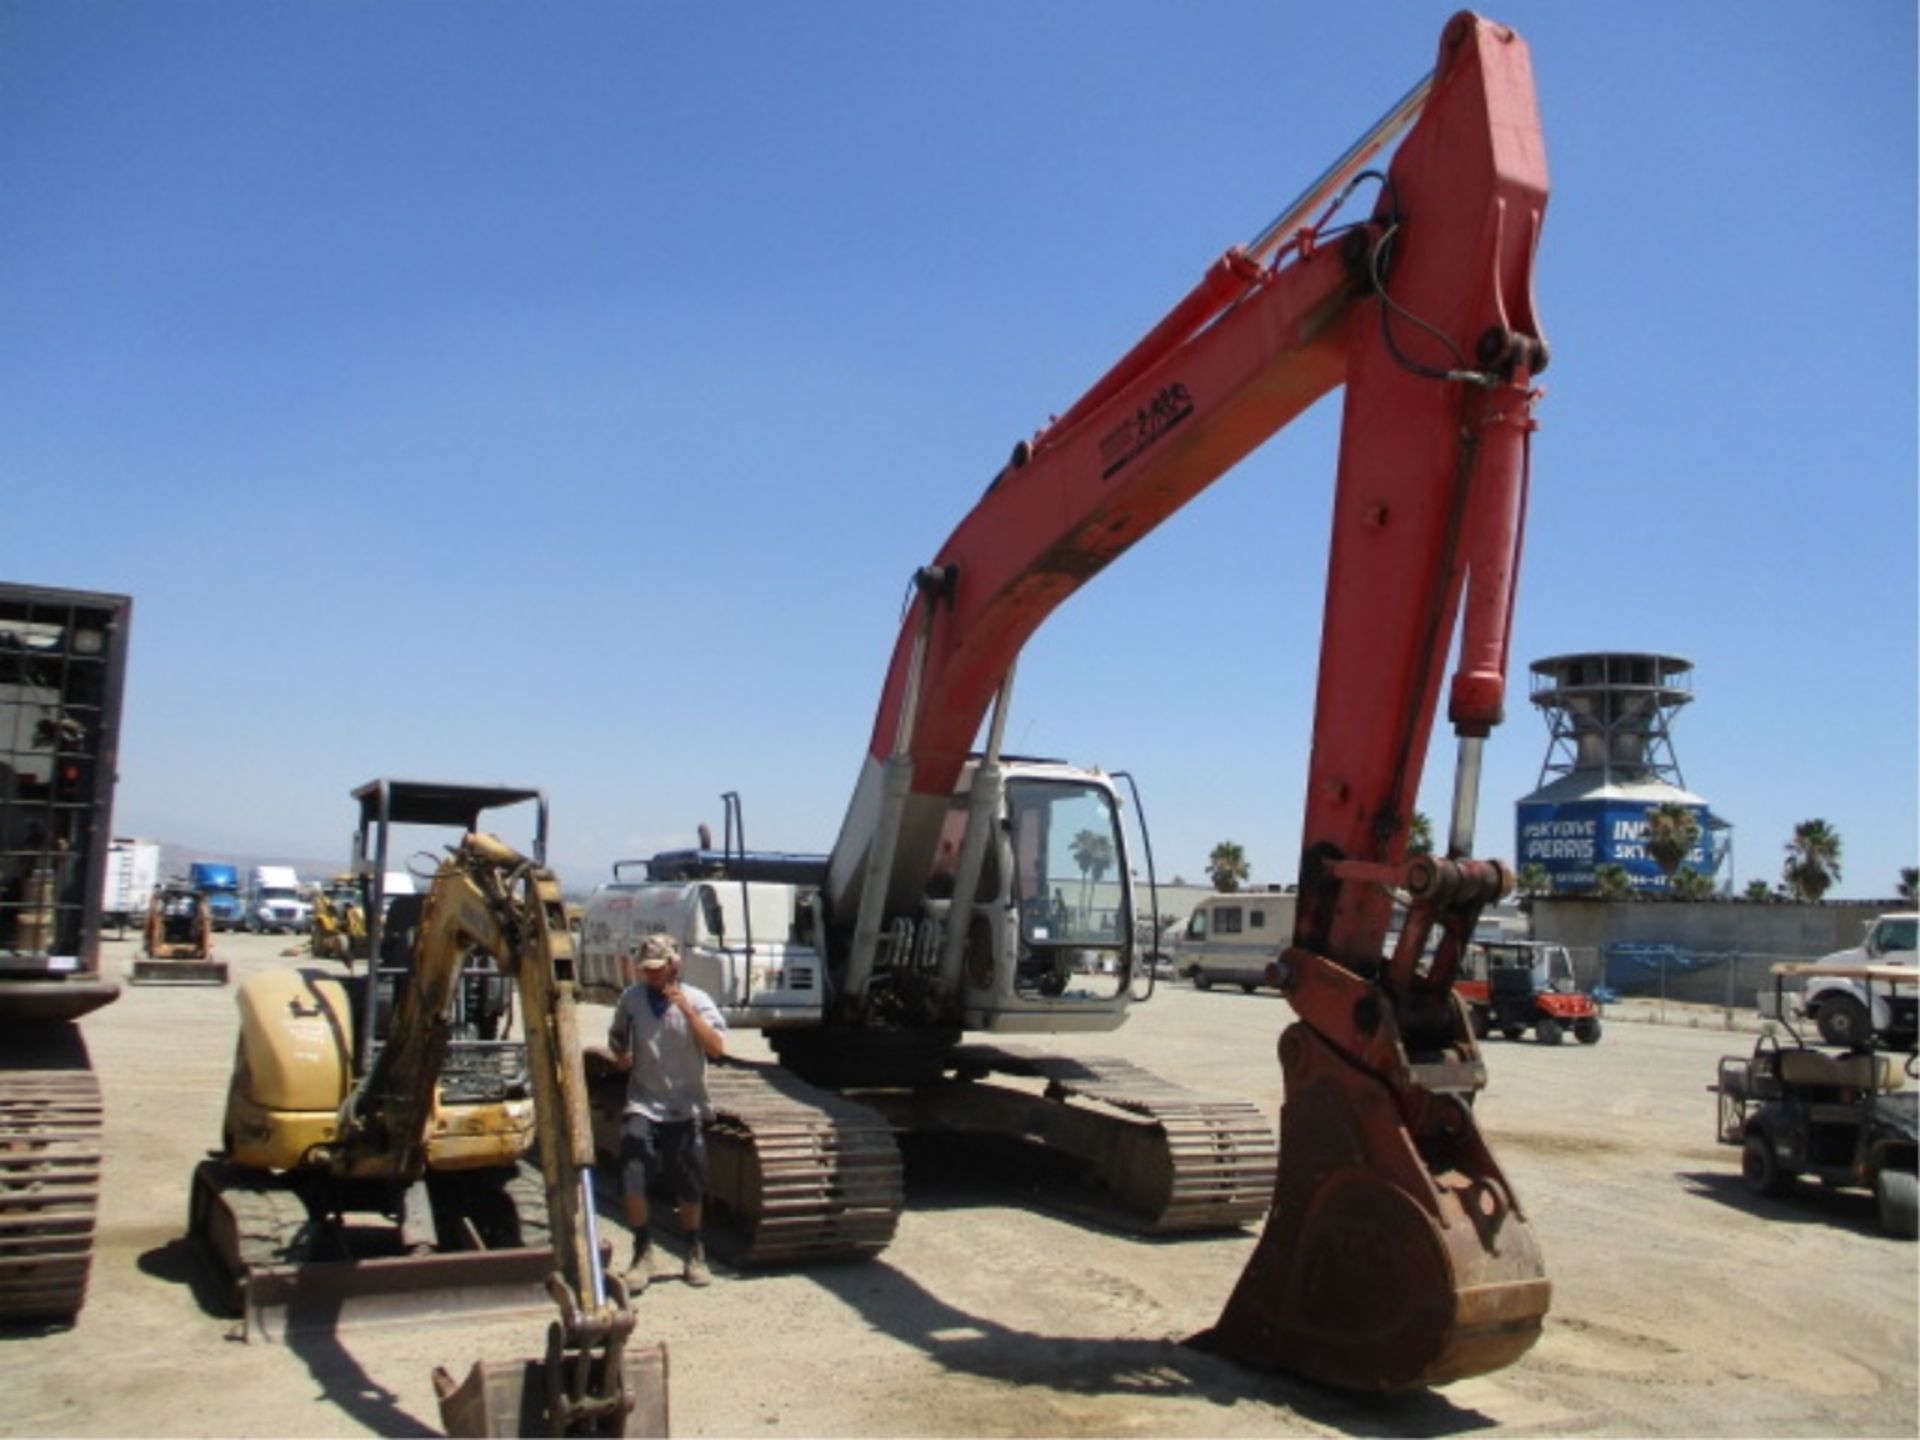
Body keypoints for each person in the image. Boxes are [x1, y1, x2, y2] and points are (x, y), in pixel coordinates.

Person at [605, 931, 728, 1291]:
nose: (651, 975)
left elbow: (717, 1048)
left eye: (658, 968)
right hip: (643, 1102)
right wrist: (620, 1055)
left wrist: (687, 1011)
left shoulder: (697, 999)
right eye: (646, 969)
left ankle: (693, 1250)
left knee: (690, 1185)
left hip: (685, 1106)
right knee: (633, 1175)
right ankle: (642, 1251)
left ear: (675, 964)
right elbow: (617, 1039)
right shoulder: (631, 999)